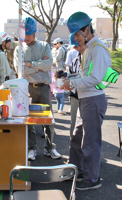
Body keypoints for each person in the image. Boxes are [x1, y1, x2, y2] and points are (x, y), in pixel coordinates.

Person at [61, 12, 109, 190]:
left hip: (93, 99)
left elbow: (96, 78)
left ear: (87, 29)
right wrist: (72, 84)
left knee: (90, 142)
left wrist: (72, 83)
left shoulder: (98, 48)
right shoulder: (90, 47)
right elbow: (86, 76)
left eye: (78, 35)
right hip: (85, 98)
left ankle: (91, 179)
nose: (76, 40)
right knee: (77, 137)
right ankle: (77, 171)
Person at [22, 17, 61, 161]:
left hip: (44, 88)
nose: (25, 38)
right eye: (23, 34)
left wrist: (30, 64)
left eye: (28, 34)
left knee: (48, 119)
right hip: (27, 89)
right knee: (29, 120)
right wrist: (39, 65)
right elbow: (21, 71)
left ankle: (50, 148)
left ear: (34, 33)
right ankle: (31, 148)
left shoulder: (44, 45)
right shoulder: (19, 49)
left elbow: (49, 64)